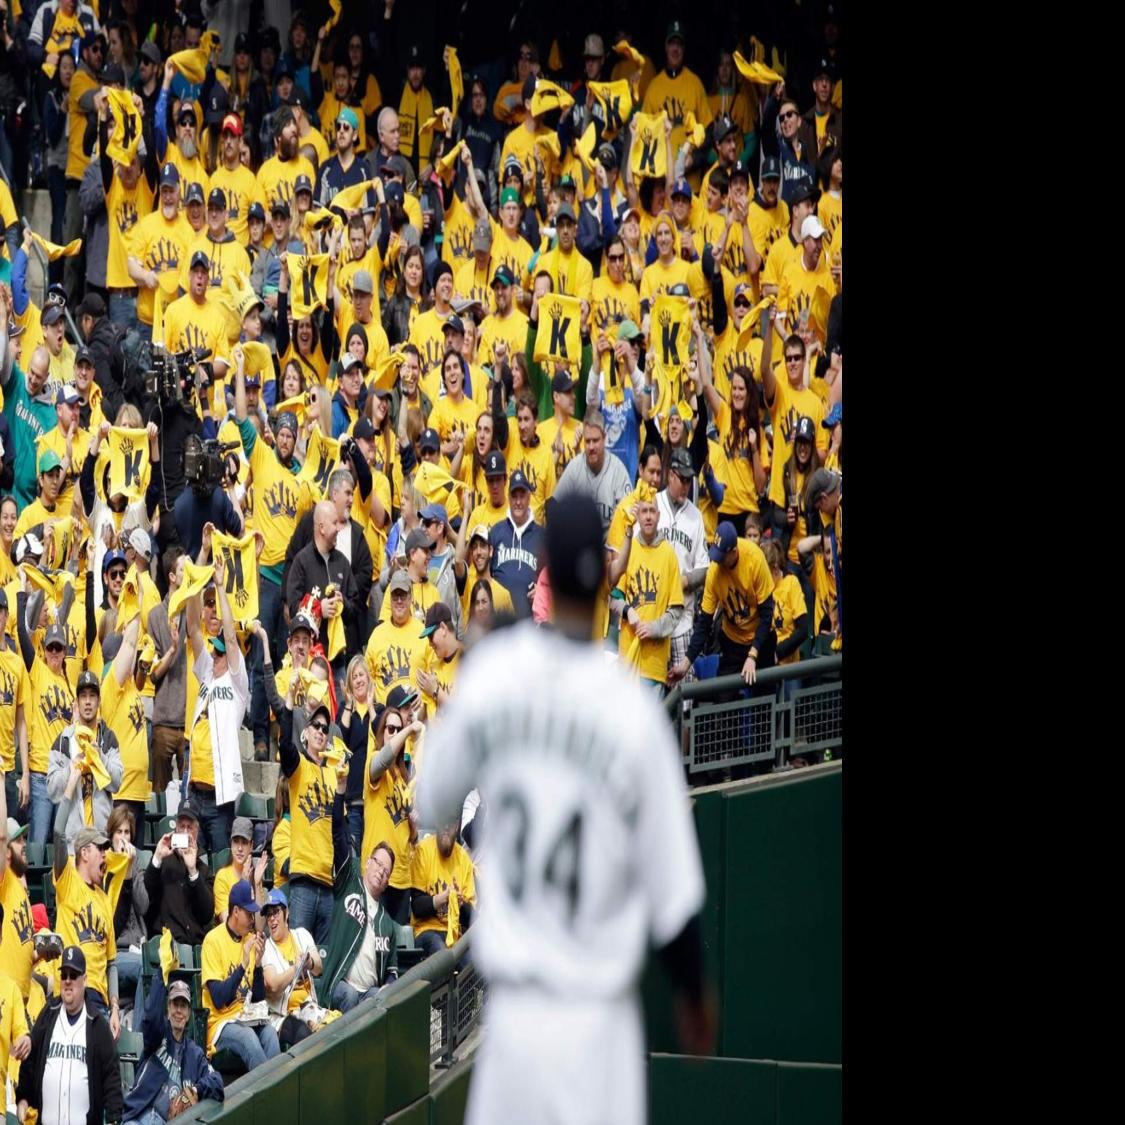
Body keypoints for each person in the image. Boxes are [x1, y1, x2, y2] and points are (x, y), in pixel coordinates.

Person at [415, 493, 713, 1124]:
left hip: (515, 1027)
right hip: (598, 1025)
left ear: (544, 566)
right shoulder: (631, 712)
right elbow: (675, 904)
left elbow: (429, 799)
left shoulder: (499, 677)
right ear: (606, 577)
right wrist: (694, 995)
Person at [320, 760, 399, 1014]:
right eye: (377, 864)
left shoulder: (387, 922)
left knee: (382, 1000)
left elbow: (392, 971)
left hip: (370, 992)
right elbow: (338, 834)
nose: (380, 871)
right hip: (341, 985)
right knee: (351, 996)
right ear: (367, 862)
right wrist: (340, 791)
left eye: (385, 871)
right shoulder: (350, 878)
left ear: (387, 882)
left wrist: (390, 985)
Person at [183, 558, 248, 853]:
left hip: (220, 798)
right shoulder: (207, 670)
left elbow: (232, 640)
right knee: (187, 857)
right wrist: (195, 575)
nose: (217, 654)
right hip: (195, 793)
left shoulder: (237, 682)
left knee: (221, 864)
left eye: (220, 653)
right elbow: (193, 628)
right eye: (216, 650)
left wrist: (221, 587)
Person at [17, 946, 123, 1125]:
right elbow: (31, 1059)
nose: (67, 981)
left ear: (85, 979)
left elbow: (111, 1078)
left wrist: (113, 1118)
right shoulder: (49, 1013)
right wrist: (23, 1098)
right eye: (64, 975)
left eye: (73, 975)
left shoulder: (97, 1024)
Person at [672, 520, 776, 689]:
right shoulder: (714, 571)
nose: (718, 562)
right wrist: (685, 663)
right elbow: (704, 624)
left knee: (764, 699)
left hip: (760, 639)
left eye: (722, 556)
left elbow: (767, 614)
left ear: (733, 551)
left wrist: (753, 654)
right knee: (724, 698)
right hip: (733, 640)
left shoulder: (754, 558)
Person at [121, 970, 224, 1125]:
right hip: (139, 1117)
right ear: (168, 1008)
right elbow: (151, 1018)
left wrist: (195, 1089)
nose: (178, 1011)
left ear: (189, 1013)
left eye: (183, 1006)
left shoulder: (194, 1054)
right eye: (175, 1004)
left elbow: (217, 1082)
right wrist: (161, 977)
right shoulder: (158, 1034)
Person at [200, 879, 279, 1072]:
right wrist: (243, 965)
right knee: (248, 1038)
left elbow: (258, 998)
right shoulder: (213, 941)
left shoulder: (250, 939)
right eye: (248, 914)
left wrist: (258, 966)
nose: (253, 919)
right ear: (235, 911)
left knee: (270, 1034)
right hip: (221, 1023)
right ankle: (269, 1097)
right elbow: (219, 999)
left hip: (247, 1018)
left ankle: (276, 1093)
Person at [50, 824, 121, 1034]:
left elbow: (112, 963)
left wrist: (115, 1008)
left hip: (98, 999)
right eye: (99, 849)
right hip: (69, 989)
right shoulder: (68, 882)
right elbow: (59, 832)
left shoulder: (104, 900)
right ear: (84, 852)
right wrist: (71, 789)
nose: (105, 855)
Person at [259, 887, 329, 1050]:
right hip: (282, 1016)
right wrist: (295, 969)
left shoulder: (302, 935)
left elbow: (318, 968)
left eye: (276, 912)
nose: (272, 919)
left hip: (309, 1007)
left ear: (287, 913)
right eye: (268, 915)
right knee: (304, 1034)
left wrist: (308, 962)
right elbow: (273, 985)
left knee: (336, 1027)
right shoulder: (266, 948)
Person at [143, 800, 214, 949]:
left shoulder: (204, 870)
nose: (186, 833)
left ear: (197, 831)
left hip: (195, 945)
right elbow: (145, 899)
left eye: (190, 828)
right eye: (182, 827)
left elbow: (206, 914)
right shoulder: (163, 861)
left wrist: (193, 871)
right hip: (166, 944)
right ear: (176, 829)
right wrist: (156, 859)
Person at [551, 410, 632, 535]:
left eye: (595, 440)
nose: (591, 447)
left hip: (609, 547)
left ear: (604, 438)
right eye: (588, 441)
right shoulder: (575, 467)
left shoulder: (618, 470)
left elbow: (629, 514)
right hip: (579, 546)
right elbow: (553, 505)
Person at [409, 822, 476, 958]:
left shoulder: (463, 859)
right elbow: (417, 907)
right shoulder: (423, 850)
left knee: (473, 962)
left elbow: (471, 919)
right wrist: (443, 898)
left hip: (454, 934)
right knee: (438, 947)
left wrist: (460, 903)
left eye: (450, 821)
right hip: (425, 931)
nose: (446, 825)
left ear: (456, 826)